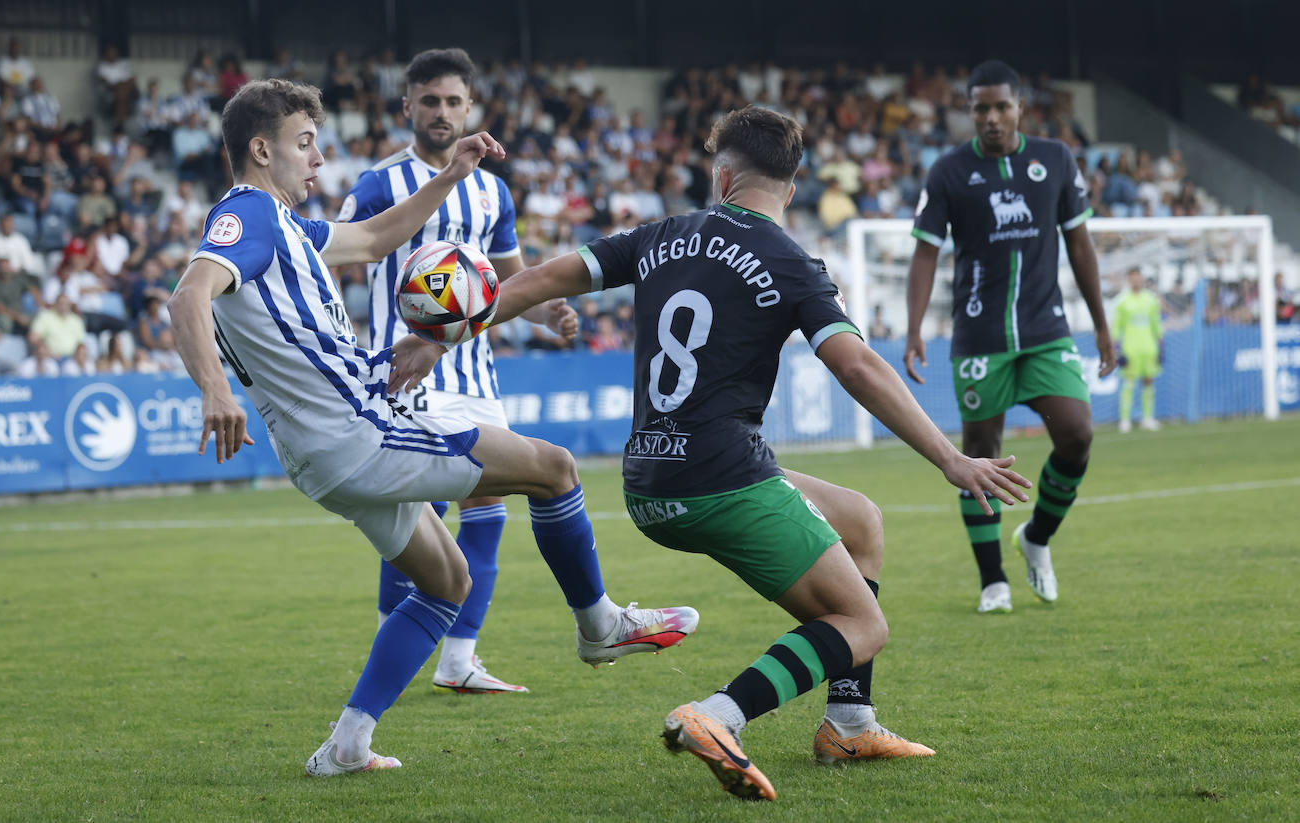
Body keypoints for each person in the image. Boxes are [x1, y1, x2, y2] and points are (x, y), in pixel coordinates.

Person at [389, 105, 1031, 802]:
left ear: (723, 174)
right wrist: (950, 458)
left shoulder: (662, 235)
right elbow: (858, 367)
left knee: (861, 519)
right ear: (793, 184)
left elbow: (541, 280)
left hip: (650, 478)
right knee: (862, 623)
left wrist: (447, 333)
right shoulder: (791, 260)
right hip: (722, 477)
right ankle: (717, 715)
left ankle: (849, 720)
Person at [167, 78, 697, 776]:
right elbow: (189, 293)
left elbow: (379, 236)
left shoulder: (291, 229)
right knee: (555, 468)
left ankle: (346, 744)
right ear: (261, 150)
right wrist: (214, 391)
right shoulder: (248, 217)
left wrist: (449, 176)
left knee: (447, 580)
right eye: (305, 145)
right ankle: (601, 625)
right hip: (361, 432)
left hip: (324, 452)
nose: (319, 160)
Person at [340, 47, 576, 696]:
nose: (441, 112)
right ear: (406, 106)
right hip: (407, 371)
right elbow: (330, 254)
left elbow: (504, 278)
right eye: (429, 101)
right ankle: (401, 635)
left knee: (490, 505)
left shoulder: (493, 189)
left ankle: (459, 658)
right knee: (417, 514)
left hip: (476, 371)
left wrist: (541, 312)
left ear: (469, 107)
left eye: (452, 101)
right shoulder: (378, 185)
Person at [903, 60, 1115, 614]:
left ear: (1020, 108)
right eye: (980, 109)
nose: (991, 118)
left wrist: (1101, 321)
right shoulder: (948, 171)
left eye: (1001, 107)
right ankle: (992, 579)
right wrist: (913, 329)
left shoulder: (1055, 159)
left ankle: (1037, 537)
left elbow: (1080, 245)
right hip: (979, 336)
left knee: (1077, 434)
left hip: (1046, 330)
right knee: (979, 455)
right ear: (969, 112)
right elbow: (925, 252)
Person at [1113, 268, 1162, 432]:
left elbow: (1156, 323)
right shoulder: (1122, 301)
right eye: (1132, 277)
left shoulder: (1151, 299)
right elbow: (1116, 327)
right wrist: (1117, 348)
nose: (1136, 280)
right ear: (1129, 279)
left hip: (1149, 348)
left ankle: (1147, 418)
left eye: (1138, 277)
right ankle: (1125, 419)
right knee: (1129, 383)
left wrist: (1160, 345)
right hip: (1130, 348)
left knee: (1148, 381)